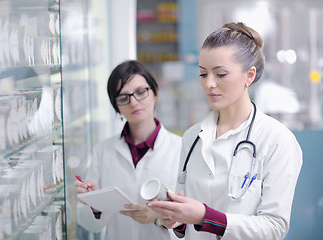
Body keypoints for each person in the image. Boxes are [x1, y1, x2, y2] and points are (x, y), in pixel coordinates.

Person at [148, 22, 303, 240]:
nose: (209, 83)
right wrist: (177, 220)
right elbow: (186, 219)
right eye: (203, 74)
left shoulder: (277, 140)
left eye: (220, 74)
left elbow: (274, 226)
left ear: (249, 75)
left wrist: (206, 217)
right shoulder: (192, 138)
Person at [75, 60, 182, 240]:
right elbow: (89, 224)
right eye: (123, 97)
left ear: (155, 93)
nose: (133, 102)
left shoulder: (179, 148)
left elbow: (193, 215)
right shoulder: (103, 151)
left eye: (141, 92)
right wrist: (95, 205)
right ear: (116, 105)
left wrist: (157, 217)